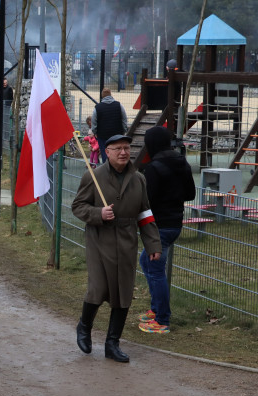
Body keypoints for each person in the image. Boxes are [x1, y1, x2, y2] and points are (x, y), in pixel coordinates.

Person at [70, 134, 161, 362]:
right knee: (98, 288)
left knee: (123, 292)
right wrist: (97, 213)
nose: (123, 152)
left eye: (126, 148)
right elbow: (78, 206)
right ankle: (84, 326)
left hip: (127, 240)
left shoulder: (138, 179)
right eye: (118, 148)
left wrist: (152, 243)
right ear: (107, 152)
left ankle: (112, 343)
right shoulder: (94, 176)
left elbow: (145, 213)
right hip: (100, 239)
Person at [137, 126, 196, 335]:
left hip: (159, 226)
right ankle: (155, 309)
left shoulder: (153, 168)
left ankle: (162, 319)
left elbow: (148, 200)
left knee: (155, 269)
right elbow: (190, 193)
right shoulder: (182, 162)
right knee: (146, 261)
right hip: (175, 223)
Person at [91, 87, 128, 164]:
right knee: (117, 152)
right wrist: (124, 130)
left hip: (102, 135)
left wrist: (95, 132)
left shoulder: (97, 108)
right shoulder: (119, 105)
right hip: (117, 134)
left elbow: (94, 122)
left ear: (102, 96)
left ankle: (106, 169)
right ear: (110, 95)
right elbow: (124, 119)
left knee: (105, 153)